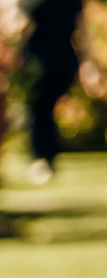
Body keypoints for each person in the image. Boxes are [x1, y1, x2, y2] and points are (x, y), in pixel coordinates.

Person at [22, 0, 89, 183]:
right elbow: (83, 29)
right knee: (42, 109)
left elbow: (82, 29)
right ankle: (46, 157)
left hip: (46, 59)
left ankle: (42, 158)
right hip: (57, 58)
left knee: (39, 109)